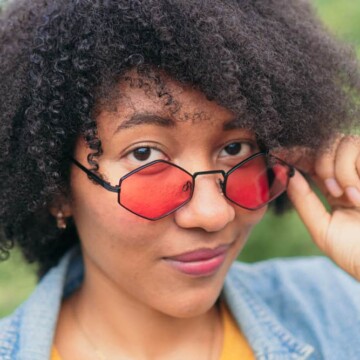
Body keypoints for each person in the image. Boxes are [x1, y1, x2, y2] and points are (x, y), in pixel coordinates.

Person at [1, 0, 360, 359]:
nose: (213, 214)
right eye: (145, 154)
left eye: (235, 147)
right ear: (57, 189)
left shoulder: (338, 307)